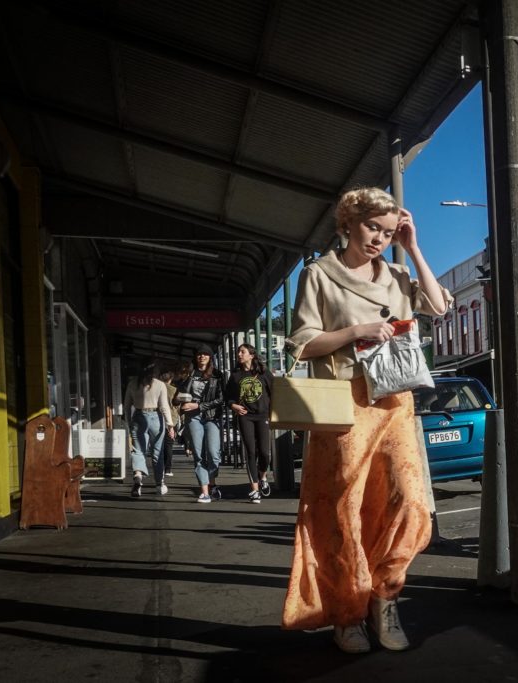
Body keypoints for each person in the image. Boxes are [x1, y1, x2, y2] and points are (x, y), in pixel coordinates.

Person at [282, 187, 451, 654]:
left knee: (410, 504)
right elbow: (300, 342)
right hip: (345, 404)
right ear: (349, 223)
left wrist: (413, 247)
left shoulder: (398, 273)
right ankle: (348, 613)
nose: (379, 237)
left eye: (388, 230)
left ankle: (384, 594)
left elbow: (438, 306)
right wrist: (356, 332)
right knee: (343, 512)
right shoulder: (319, 274)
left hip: (395, 401)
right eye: (372, 227)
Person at [175, 344, 225, 504]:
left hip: (211, 417)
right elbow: (177, 395)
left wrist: (198, 405)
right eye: (199, 354)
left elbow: (221, 399)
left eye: (205, 354)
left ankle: (212, 483)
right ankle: (205, 492)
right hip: (193, 417)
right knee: (198, 454)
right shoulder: (190, 374)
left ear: (210, 357)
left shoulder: (218, 375)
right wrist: (180, 401)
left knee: (213, 454)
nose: (202, 356)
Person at [225, 343, 274, 504]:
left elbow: (275, 393)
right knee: (251, 452)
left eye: (242, 352)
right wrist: (234, 406)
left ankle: (263, 476)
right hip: (245, 416)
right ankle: (254, 490)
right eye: (238, 352)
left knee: (265, 453)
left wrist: (274, 413)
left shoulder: (264, 373)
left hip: (262, 415)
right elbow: (228, 397)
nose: (239, 354)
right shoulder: (235, 376)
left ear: (251, 355)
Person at [123, 360, 175, 498]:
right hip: (156, 418)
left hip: (138, 417)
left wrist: (129, 422)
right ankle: (159, 484)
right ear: (155, 372)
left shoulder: (132, 383)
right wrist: (170, 425)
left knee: (138, 451)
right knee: (157, 453)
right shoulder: (160, 385)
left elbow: (127, 406)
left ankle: (138, 478)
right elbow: (164, 406)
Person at [159, 367, 182, 479]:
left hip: (158, 418)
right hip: (172, 419)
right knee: (169, 445)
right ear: (171, 379)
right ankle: (167, 469)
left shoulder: (157, 389)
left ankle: (159, 467)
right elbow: (178, 406)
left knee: (158, 444)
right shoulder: (174, 390)